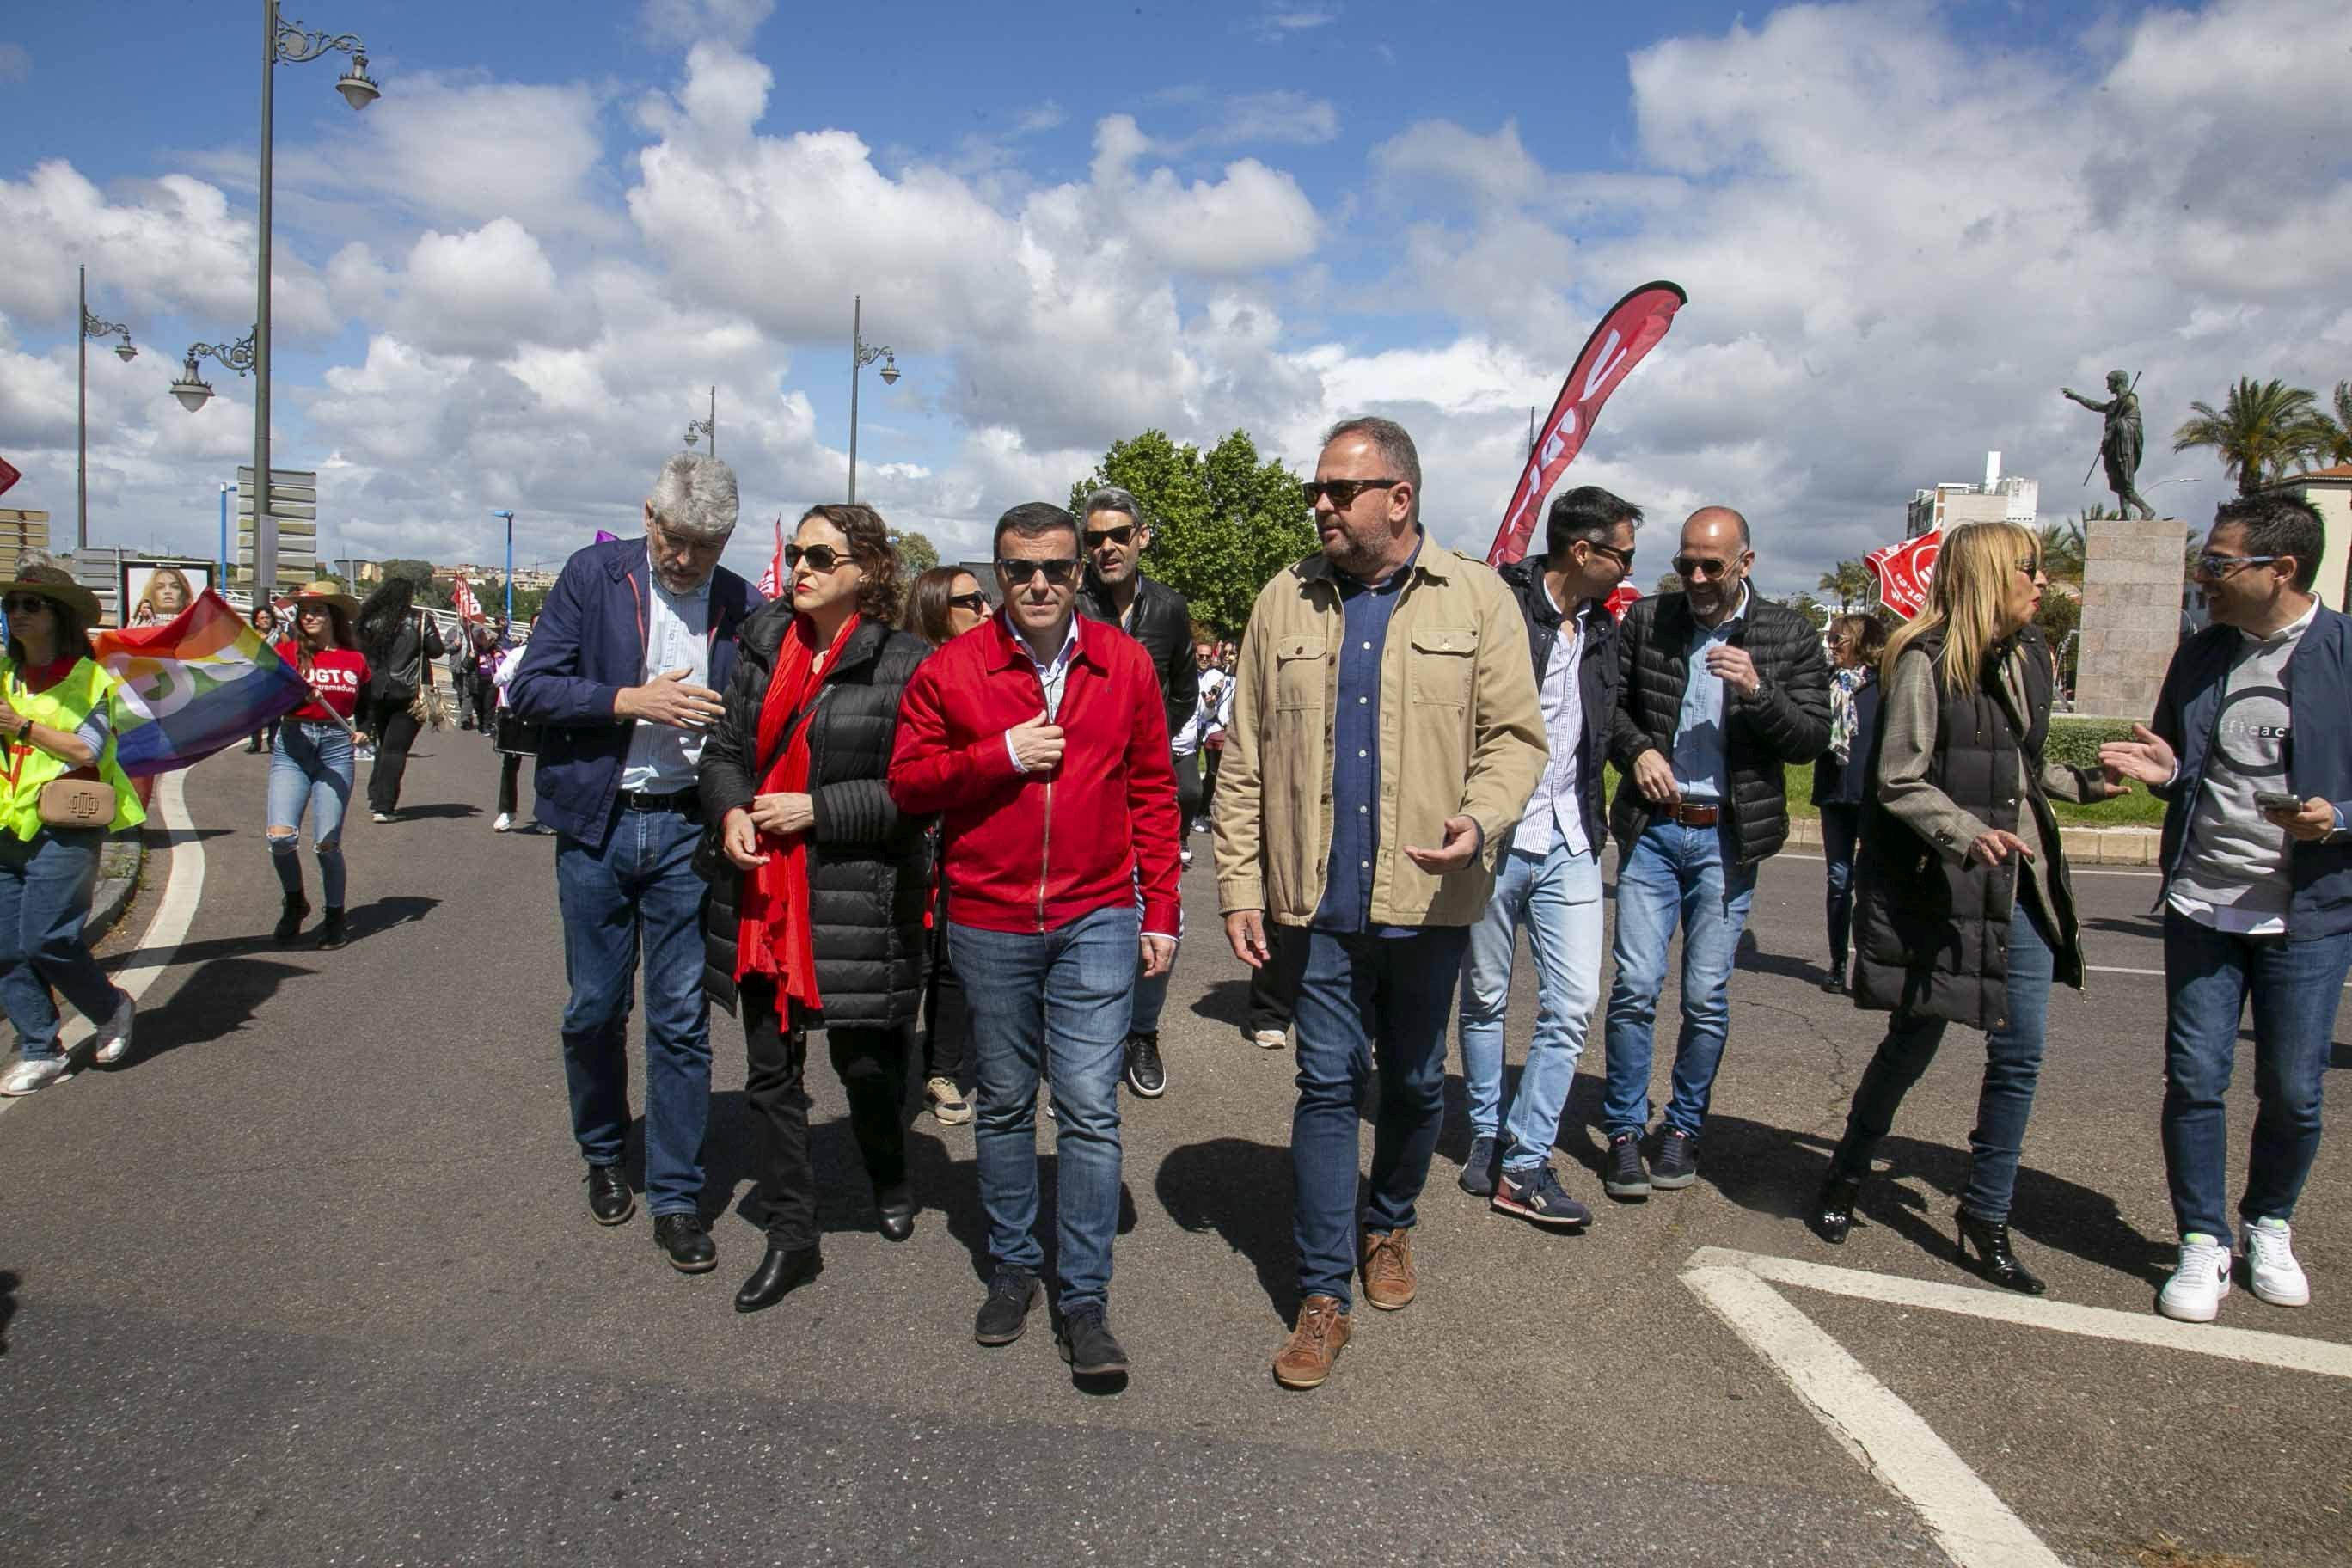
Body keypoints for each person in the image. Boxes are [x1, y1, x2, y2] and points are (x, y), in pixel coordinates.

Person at [1216, 417, 1545, 1391]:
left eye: (1339, 489)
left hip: (1431, 897)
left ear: (1398, 499)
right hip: (1315, 902)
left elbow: (1516, 741)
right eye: (1316, 487)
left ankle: (1389, 1220)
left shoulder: (1478, 598)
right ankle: (1324, 1295)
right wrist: (1239, 883)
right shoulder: (1285, 600)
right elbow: (1247, 757)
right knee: (1325, 1086)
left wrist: (1480, 822)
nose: (1319, 503)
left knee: (1408, 1083)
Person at [890, 502, 1181, 1379]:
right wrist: (1000, 755)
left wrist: (1160, 909)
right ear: (1000, 575)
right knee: (1009, 1102)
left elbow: (1155, 795)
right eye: (1022, 570)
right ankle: (1016, 1268)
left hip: (1098, 914)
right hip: (989, 916)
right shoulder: (952, 668)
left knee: (1090, 1108)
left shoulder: (1123, 662)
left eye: (1059, 566)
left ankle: (1084, 1298)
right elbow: (907, 784)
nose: (1043, 583)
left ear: (1081, 572)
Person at [1810, 524, 2118, 1294]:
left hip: (2023, 889)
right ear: (1987, 575)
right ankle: (1847, 1171)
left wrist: (2094, 784)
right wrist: (1966, 832)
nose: (2042, 582)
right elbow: (1899, 779)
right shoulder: (1922, 658)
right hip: (1946, 886)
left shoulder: (2034, 656)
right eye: (2030, 569)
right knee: (1912, 1042)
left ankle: (1986, 1217)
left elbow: (2028, 767)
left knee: (2019, 1056)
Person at [2099, 493, 2352, 1322]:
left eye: (2216, 564)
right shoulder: (2203, 655)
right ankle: (2202, 1240)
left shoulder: (2344, 654)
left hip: (2308, 916)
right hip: (2204, 906)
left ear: (2281, 570)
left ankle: (2269, 1223)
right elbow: (2183, 762)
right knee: (2197, 1080)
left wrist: (2337, 819)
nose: (2200, 577)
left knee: (2294, 1091)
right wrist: (2162, 773)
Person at [507, 454, 763, 1275]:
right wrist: (629, 700)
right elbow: (531, 691)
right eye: (674, 536)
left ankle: (679, 1195)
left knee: (682, 1018)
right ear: (648, 516)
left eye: (704, 544)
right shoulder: (593, 575)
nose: (684, 557)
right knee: (593, 1006)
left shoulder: (739, 605)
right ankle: (604, 1151)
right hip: (600, 824)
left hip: (689, 830)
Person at [697, 505, 931, 1313]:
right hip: (762, 895)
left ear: (865, 570)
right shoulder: (761, 645)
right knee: (770, 1074)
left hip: (854, 896)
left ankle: (888, 1171)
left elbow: (916, 792)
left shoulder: (906, 662)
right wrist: (731, 809)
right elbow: (725, 751)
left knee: (867, 1067)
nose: (800, 567)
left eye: (821, 556)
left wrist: (817, 811)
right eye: (797, 553)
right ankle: (793, 1236)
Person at [1599, 506, 1830, 1199]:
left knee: (1705, 996)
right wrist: (1636, 750)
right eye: (1686, 564)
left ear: (1745, 565)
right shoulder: (1648, 619)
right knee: (1636, 988)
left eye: (1712, 567)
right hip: (1654, 830)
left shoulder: (1787, 633)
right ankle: (1621, 1130)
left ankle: (1683, 1128)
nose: (1696, 578)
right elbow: (1609, 706)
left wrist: (1759, 692)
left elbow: (1811, 740)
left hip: (1727, 838)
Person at [1455, 485, 1636, 1225]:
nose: (1630, 567)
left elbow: (1612, 714)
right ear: (1582, 550)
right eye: (1622, 553)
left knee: (1572, 1004)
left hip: (1571, 837)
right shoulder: (1496, 608)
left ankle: (1525, 1159)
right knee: (1487, 996)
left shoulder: (1603, 629)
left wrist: (1642, 749)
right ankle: (1485, 1130)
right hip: (1496, 835)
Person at [0, 559, 143, 1096]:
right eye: (11, 605)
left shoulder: (90, 679)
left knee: (47, 939)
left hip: (65, 825)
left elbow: (89, 748)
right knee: (5, 948)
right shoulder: (3, 673)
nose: (18, 613)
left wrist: (24, 726)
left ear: (57, 615)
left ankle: (111, 1007)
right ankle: (40, 1049)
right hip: (4, 826)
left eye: (30, 605)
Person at [1075, 486, 1197, 1100]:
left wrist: (1154, 741)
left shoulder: (1170, 609)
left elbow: (1185, 691)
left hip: (1147, 787)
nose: (1106, 548)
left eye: (1118, 535)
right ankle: (1079, 1048)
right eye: (1094, 538)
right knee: (1087, 918)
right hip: (1083, 790)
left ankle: (1141, 1032)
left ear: (1141, 537)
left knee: (1157, 915)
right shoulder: (1070, 605)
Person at [901, 566, 992, 1127]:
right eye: (971, 601)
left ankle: (943, 1068)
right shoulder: (911, 671)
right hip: (912, 834)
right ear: (937, 611)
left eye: (986, 598)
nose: (987, 609)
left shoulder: (990, 669)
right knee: (909, 957)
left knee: (952, 961)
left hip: (966, 835)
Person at [266, 584, 371, 951]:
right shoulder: (285, 654)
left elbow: (370, 705)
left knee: (327, 844)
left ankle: (335, 916)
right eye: (304, 610)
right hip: (292, 747)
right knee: (280, 838)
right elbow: (264, 696)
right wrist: (294, 694)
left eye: (318, 610)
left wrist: (365, 731)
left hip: (336, 750)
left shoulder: (354, 660)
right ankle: (295, 901)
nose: (308, 616)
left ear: (334, 617)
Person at [1815, 612, 1888, 994]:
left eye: (1839, 640)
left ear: (1860, 642)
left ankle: (1869, 962)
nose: (1832, 646)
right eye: (1831, 639)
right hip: (1833, 792)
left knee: (1870, 883)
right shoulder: (1825, 684)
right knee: (1839, 879)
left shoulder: (1885, 686)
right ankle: (1838, 961)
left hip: (1871, 796)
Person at [355, 578, 446, 823]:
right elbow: (436, 650)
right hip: (410, 692)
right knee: (396, 749)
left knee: (385, 744)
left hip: (377, 691)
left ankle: (376, 793)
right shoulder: (421, 619)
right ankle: (383, 806)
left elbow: (360, 652)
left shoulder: (369, 619)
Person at [489, 637, 538, 833]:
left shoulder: (559, 652)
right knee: (511, 763)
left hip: (548, 713)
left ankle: (545, 816)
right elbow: (499, 679)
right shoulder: (519, 654)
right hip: (520, 713)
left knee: (548, 768)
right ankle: (507, 811)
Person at [247, 602, 284, 755]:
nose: (265, 620)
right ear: (256, 621)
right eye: (262, 618)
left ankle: (272, 742)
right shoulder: (251, 636)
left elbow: (288, 652)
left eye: (268, 617)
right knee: (256, 712)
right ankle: (255, 743)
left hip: (273, 678)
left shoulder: (279, 635)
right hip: (255, 678)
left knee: (274, 714)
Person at [128, 566, 194, 628]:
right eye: (160, 587)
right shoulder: (140, 623)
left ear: (183, 592)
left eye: (175, 586)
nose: (167, 591)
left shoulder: (195, 622)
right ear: (152, 592)